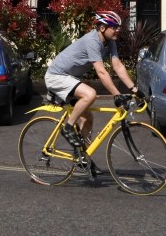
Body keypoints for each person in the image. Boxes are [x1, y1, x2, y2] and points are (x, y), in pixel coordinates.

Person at [44, 11, 140, 156]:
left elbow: (118, 66)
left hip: (71, 78)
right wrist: (117, 95)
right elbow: (101, 72)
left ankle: (82, 156)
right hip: (57, 76)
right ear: (102, 28)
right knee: (90, 94)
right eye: (114, 27)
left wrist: (134, 89)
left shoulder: (110, 42)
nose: (118, 30)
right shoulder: (92, 41)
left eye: (118, 27)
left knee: (88, 118)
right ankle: (68, 127)